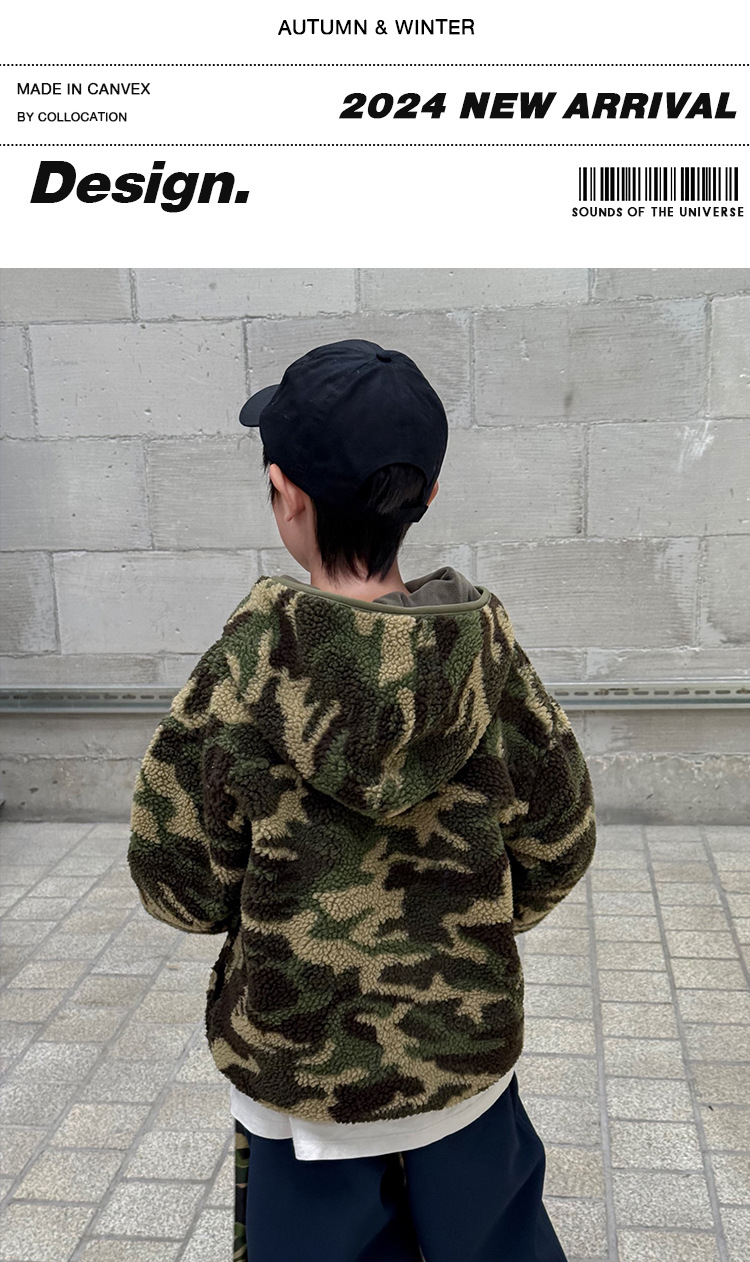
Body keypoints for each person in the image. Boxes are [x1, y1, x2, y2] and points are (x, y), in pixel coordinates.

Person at [127, 338, 597, 1262]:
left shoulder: (239, 676)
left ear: (286, 495)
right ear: (427, 494)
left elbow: (175, 882)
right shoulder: (491, 665)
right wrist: (471, 927)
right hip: (462, 1071)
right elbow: (561, 841)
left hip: (297, 1081)